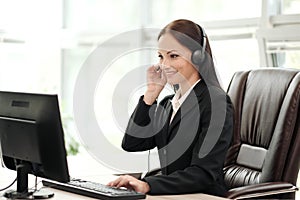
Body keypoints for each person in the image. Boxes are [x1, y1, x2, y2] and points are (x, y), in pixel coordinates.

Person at [107, 19, 233, 197]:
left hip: (202, 196)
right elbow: (132, 143)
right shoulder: (168, 104)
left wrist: (148, 185)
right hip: (172, 195)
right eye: (161, 56)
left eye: (173, 56)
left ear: (198, 56)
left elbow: (203, 174)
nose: (164, 65)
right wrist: (151, 94)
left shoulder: (216, 103)